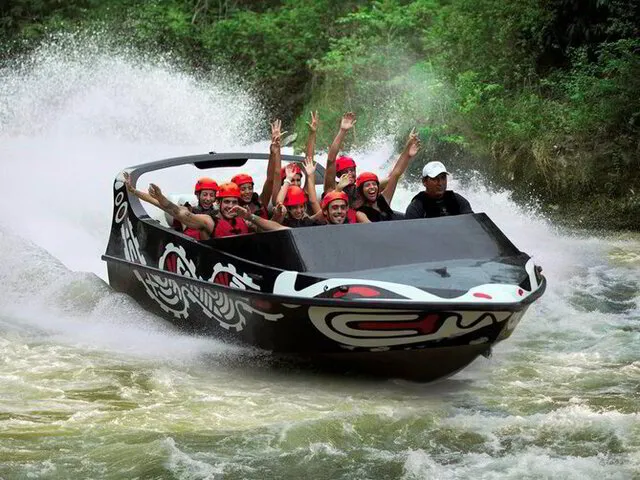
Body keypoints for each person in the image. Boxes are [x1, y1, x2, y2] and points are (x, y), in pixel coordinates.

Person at [355, 129, 421, 222]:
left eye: (374, 184)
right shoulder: (360, 213)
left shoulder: (384, 199)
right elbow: (372, 229)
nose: (372, 187)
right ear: (361, 191)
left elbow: (396, 174)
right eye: (367, 185)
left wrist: (407, 153)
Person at [147, 182, 251, 241]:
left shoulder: (245, 220)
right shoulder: (208, 221)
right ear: (219, 203)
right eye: (227, 202)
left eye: (234, 202)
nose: (231, 206)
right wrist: (161, 198)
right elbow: (176, 211)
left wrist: (251, 218)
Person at [233, 189, 369, 232]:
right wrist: (250, 217)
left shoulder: (356, 229)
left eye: (342, 208)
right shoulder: (313, 228)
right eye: (334, 208)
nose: (339, 211)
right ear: (325, 212)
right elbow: (277, 227)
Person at [231, 119, 285, 219]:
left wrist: (273, 153)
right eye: (243, 189)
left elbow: (270, 180)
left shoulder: (260, 202)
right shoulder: (229, 210)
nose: (248, 191)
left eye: (250, 188)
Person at [404, 161, 473, 218]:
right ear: (424, 181)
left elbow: (471, 223)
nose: (440, 183)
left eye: (443, 178)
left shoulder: (457, 200)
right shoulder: (416, 207)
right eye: (435, 179)